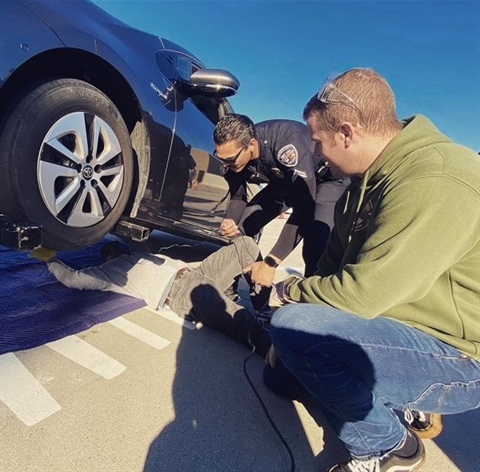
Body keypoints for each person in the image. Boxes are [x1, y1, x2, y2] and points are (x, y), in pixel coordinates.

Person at [264, 68, 480, 472]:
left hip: (457, 356)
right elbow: (330, 268)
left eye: (319, 142)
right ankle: (398, 399)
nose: (317, 153)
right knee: (280, 378)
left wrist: (289, 293)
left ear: (347, 132)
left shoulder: (436, 177)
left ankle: (391, 447)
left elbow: (363, 295)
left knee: (297, 330)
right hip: (396, 328)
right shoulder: (359, 190)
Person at [33, 237, 273, 357]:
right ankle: (273, 347)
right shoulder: (110, 274)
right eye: (111, 252)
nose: (116, 252)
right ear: (108, 258)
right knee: (238, 319)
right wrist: (51, 260)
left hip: (198, 273)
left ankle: (249, 299)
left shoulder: (139, 254)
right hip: (182, 292)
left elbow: (136, 235)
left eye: (117, 249)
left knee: (246, 244)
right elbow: (73, 279)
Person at [213, 114, 348, 287]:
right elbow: (238, 196)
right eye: (221, 158)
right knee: (243, 227)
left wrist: (271, 262)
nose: (225, 165)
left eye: (230, 160)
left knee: (316, 239)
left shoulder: (287, 143)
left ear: (251, 145)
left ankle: (311, 302)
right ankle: (254, 293)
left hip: (324, 179)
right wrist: (230, 220)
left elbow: (304, 209)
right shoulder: (231, 156)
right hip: (283, 182)